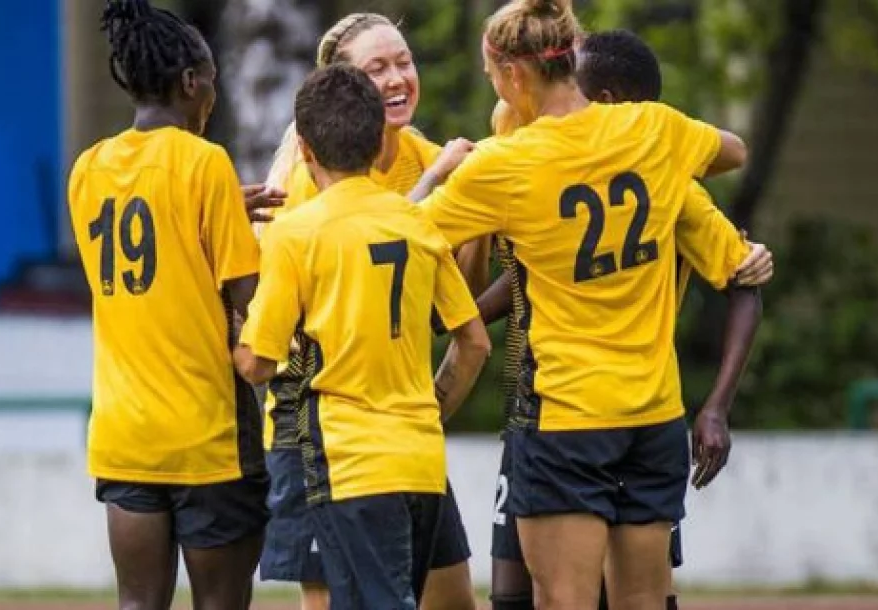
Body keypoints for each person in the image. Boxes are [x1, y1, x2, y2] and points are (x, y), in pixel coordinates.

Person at [408, 0, 756, 607]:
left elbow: (396, 235)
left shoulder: (505, 163)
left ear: (515, 74)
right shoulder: (655, 128)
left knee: (563, 599)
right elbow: (733, 151)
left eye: (493, 76)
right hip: (653, 415)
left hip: (568, 417)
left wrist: (437, 175)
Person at [234, 64, 491, 610]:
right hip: (421, 461)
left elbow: (258, 363)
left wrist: (234, 330)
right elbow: (474, 343)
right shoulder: (417, 223)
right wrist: (432, 406)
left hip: (347, 465)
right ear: (379, 144)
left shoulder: (296, 234)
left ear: (305, 150)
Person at [67, 1, 270, 608]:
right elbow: (248, 297)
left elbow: (150, 258)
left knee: (137, 602)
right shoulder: (205, 162)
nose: (213, 94)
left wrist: (219, 209)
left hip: (124, 433)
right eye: (210, 79)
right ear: (189, 82)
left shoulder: (87, 169)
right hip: (205, 431)